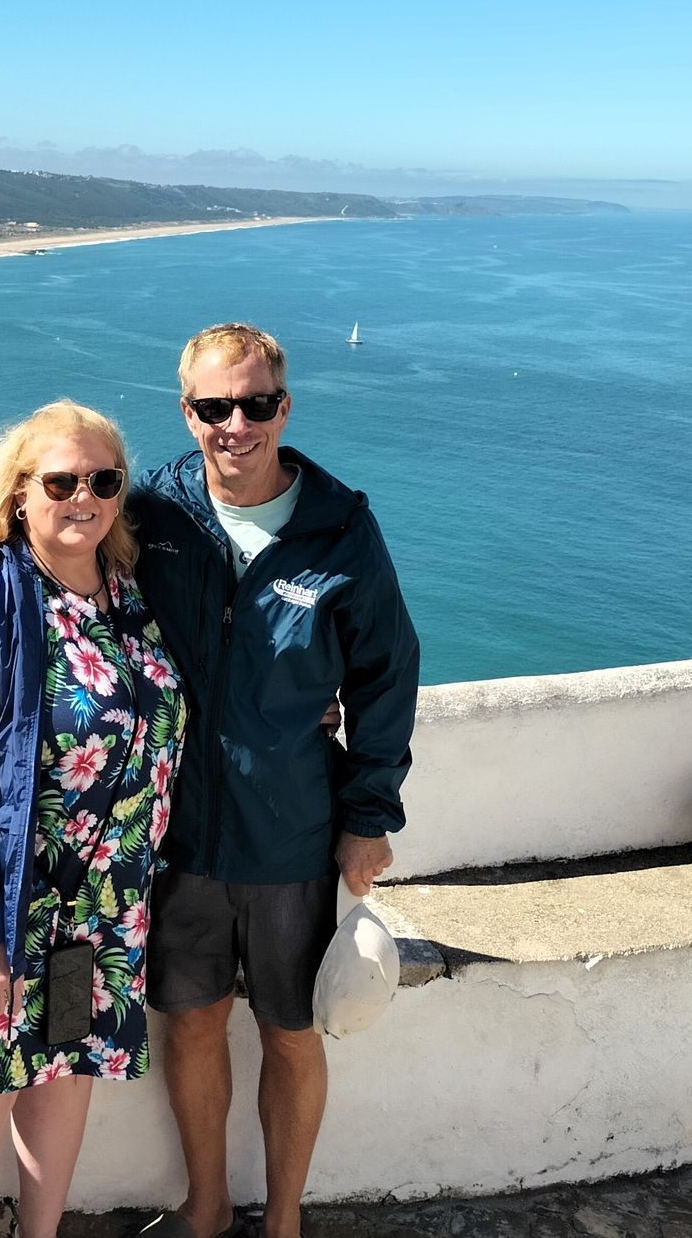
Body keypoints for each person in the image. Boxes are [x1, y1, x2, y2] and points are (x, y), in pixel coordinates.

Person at [129, 323, 420, 1238]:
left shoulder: (340, 526)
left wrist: (369, 816)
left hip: (292, 831)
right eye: (216, 407)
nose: (237, 424)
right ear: (189, 412)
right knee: (190, 1020)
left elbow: (387, 674)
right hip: (176, 832)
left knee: (292, 1029)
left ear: (284, 407)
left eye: (256, 404)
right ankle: (207, 1206)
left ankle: (285, 1219)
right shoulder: (155, 516)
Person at [0, 400, 189, 1238]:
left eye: (103, 479)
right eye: (61, 480)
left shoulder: (128, 593)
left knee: (62, 1074)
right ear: (20, 491)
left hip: (98, 913)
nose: (82, 496)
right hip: (0, 911)